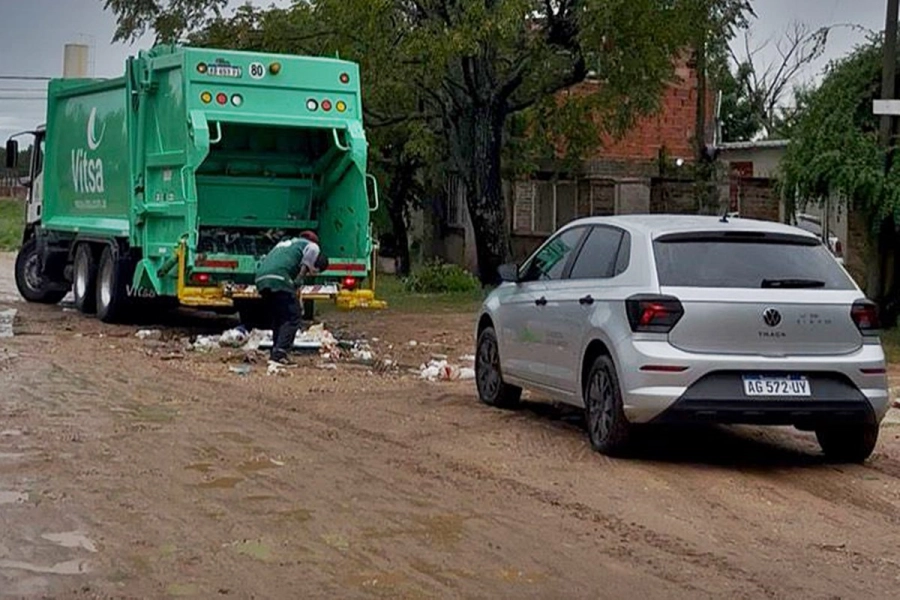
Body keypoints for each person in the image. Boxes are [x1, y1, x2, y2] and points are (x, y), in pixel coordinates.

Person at [255, 231, 329, 365]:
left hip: (261, 278)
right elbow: (310, 256)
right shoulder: (312, 246)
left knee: (279, 317)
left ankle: (276, 351)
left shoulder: (285, 245)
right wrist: (300, 278)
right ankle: (280, 354)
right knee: (292, 317)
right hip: (279, 277)